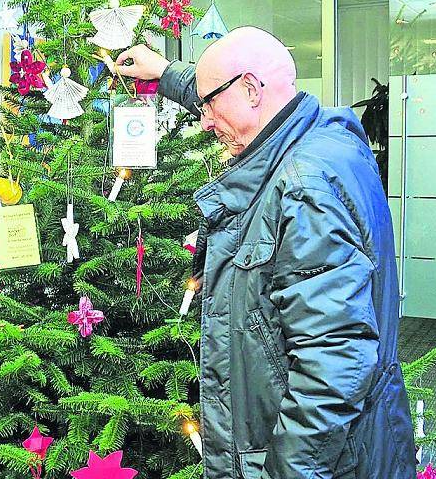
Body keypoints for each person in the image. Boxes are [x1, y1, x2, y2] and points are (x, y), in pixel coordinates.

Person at [116, 27, 416, 478]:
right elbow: (221, 87)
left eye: (209, 104)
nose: (205, 121)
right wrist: (165, 73)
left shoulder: (303, 189)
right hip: (365, 448)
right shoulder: (322, 137)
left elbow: (332, 364)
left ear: (252, 90)